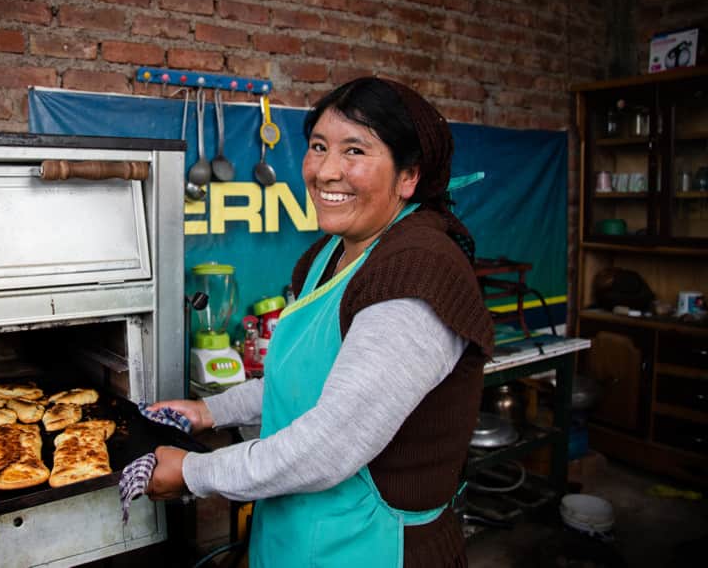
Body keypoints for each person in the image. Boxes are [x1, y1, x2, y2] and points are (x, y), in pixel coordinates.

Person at [147, 77, 495, 567]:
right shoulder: (331, 254)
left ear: (409, 176)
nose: (326, 171)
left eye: (355, 150)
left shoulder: (417, 273)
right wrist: (212, 412)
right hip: (297, 533)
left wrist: (194, 474)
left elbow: (329, 445)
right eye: (318, 147)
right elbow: (300, 383)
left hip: (372, 547)